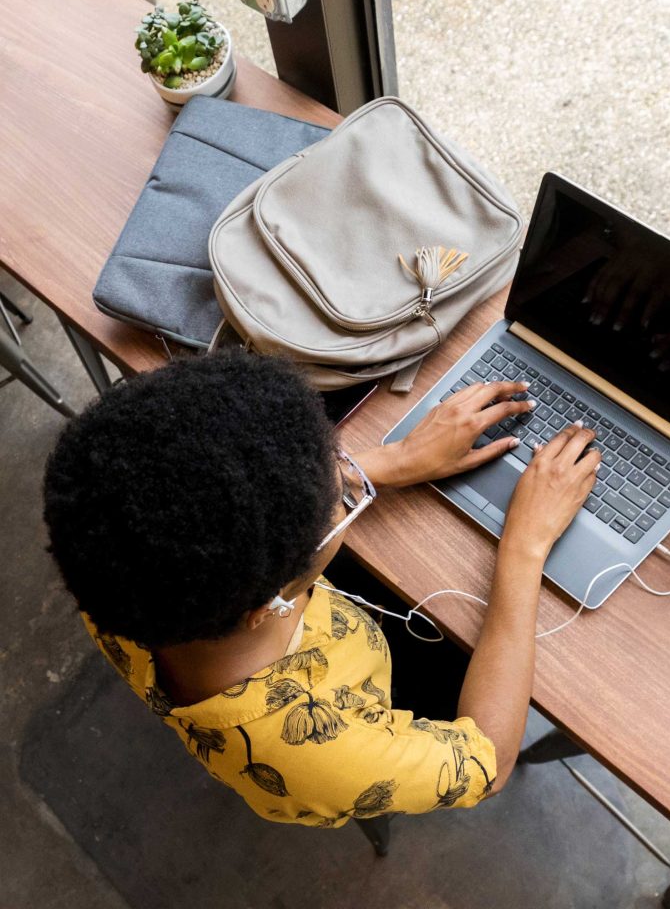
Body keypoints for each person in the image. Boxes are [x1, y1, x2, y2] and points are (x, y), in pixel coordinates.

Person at [43, 351, 599, 827]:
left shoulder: (118, 567)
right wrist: (524, 547)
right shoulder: (320, 752)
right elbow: (490, 763)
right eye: (343, 500)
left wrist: (394, 460)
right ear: (268, 605)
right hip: (383, 692)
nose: (350, 480)